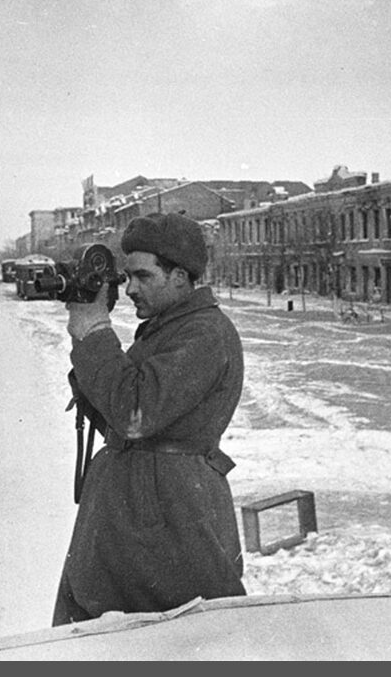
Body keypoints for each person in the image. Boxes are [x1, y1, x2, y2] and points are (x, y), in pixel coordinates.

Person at [52, 212, 246, 626]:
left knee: (178, 638)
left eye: (143, 276)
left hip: (169, 518)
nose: (131, 288)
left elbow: (134, 413)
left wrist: (95, 333)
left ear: (180, 275)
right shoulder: (167, 329)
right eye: (127, 277)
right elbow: (120, 416)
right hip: (143, 511)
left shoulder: (205, 333)